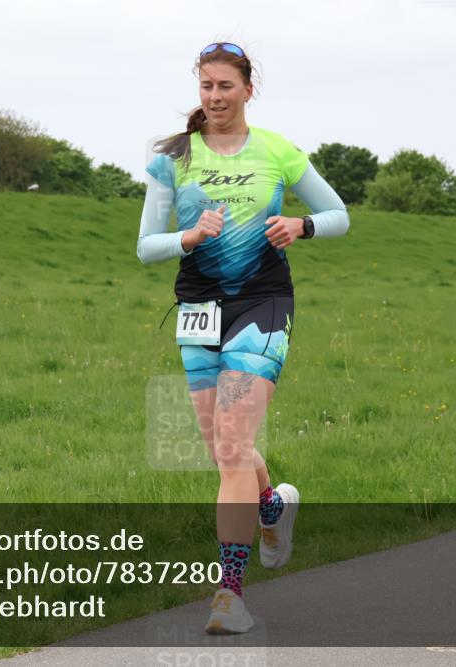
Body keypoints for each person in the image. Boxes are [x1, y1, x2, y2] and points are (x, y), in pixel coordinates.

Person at [137, 41, 350, 634]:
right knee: (222, 450)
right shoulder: (172, 156)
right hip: (198, 310)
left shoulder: (277, 150)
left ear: (248, 90)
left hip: (261, 305)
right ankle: (273, 507)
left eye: (225, 86)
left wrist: (301, 225)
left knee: (232, 446)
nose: (214, 96)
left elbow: (339, 214)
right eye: (206, 86)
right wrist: (189, 237)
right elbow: (146, 246)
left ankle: (229, 595)